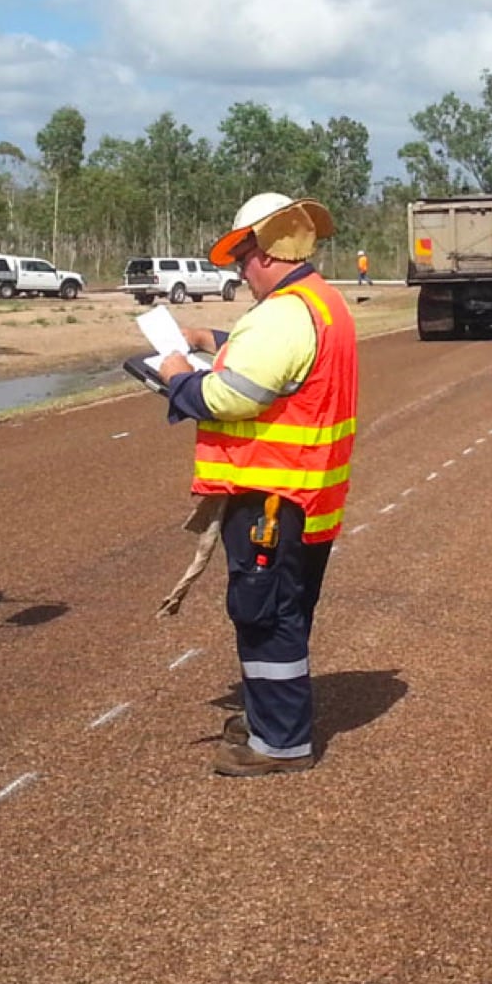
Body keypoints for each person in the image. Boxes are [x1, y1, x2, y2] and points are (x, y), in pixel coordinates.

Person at [158, 192, 357, 776]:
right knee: (284, 608)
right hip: (306, 495)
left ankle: (280, 743)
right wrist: (208, 340)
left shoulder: (284, 314)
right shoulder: (319, 302)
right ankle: (271, 717)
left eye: (243, 256)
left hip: (271, 497)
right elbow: (277, 361)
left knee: (266, 615)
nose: (240, 270)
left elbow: (229, 395)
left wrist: (175, 380)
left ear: (268, 252)